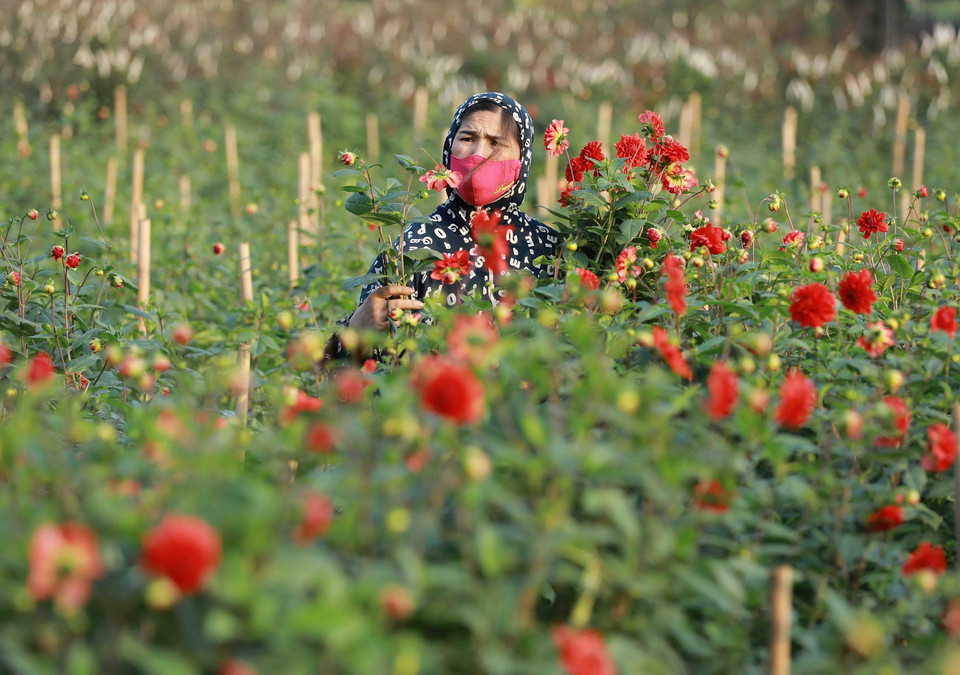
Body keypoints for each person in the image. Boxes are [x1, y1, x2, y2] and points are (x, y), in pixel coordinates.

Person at [325, 91, 559, 361]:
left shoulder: (548, 249)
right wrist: (356, 331)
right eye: (468, 138)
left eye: (496, 143)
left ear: (523, 158)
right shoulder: (411, 247)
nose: (477, 153)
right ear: (449, 147)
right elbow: (352, 374)